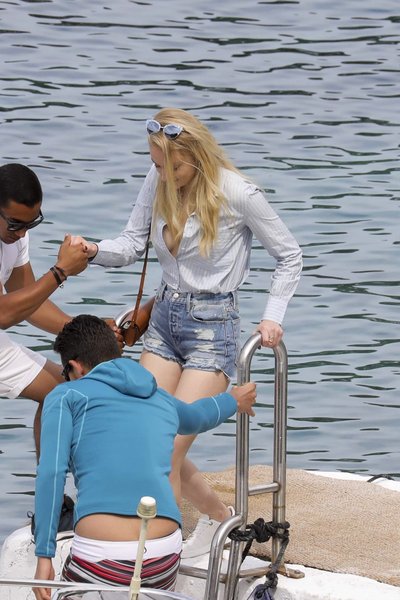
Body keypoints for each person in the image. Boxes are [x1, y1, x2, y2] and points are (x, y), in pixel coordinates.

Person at [72, 107, 303, 557]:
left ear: (196, 156)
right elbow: (132, 243)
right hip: (163, 321)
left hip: (212, 329)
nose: (162, 174)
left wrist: (272, 316)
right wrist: (93, 250)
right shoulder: (158, 176)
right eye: (156, 164)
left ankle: (159, 559)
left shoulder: (238, 193)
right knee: (144, 436)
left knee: (167, 450)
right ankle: (222, 520)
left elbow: (290, 255)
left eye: (171, 167)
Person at [33, 314, 256, 600]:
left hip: (100, 558)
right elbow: (198, 416)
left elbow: (51, 473)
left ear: (75, 367)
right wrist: (233, 400)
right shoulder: (159, 397)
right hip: (163, 559)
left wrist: (44, 555)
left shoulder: (66, 395)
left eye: (66, 373)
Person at [0, 163, 89, 455]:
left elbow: (27, 300)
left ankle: (49, 483)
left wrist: (84, 330)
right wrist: (60, 272)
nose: (22, 234)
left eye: (31, 224)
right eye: (15, 224)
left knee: (61, 392)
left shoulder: (16, 235)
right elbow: (3, 315)